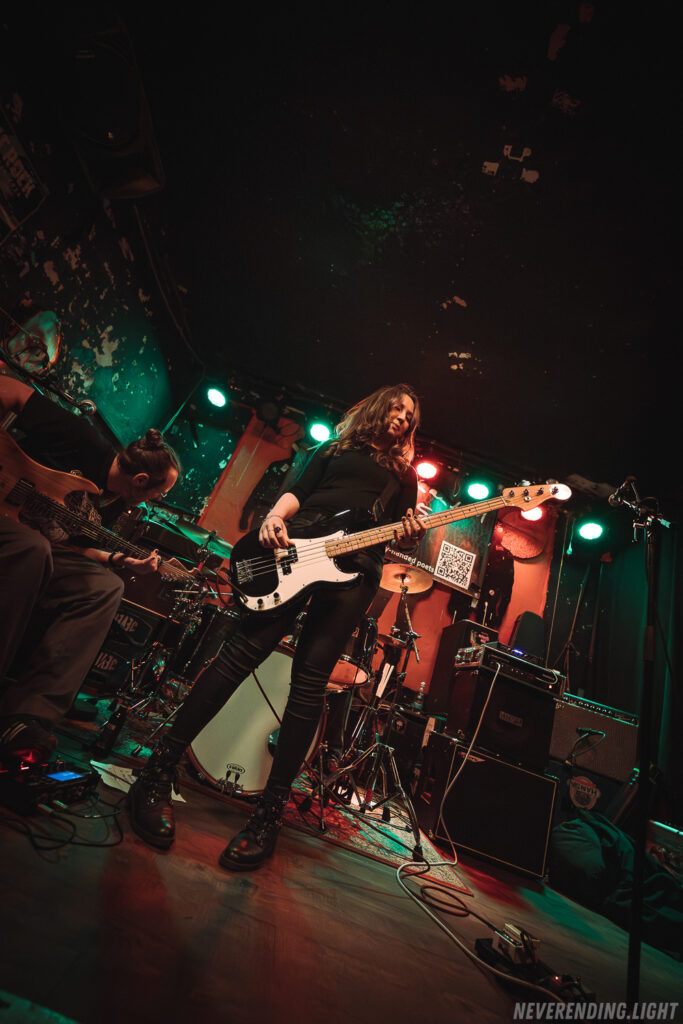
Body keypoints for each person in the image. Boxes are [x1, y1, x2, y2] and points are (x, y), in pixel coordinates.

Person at [128, 383, 426, 870]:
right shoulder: (334, 449)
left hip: (356, 573)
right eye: (396, 407)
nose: (402, 417)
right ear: (377, 408)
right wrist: (272, 519)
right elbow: (297, 493)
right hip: (294, 551)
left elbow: (402, 537)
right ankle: (157, 772)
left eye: (410, 415)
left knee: (309, 686)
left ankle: (268, 816)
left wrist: (411, 537)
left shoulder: (404, 477)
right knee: (236, 657)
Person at [0, 375, 180, 762]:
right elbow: (10, 389)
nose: (158, 499)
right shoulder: (82, 438)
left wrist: (118, 560)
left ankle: (27, 716)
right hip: (15, 531)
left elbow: (72, 547)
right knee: (33, 549)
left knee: (105, 586)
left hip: (41, 546)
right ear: (141, 480)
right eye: (159, 492)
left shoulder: (115, 503)